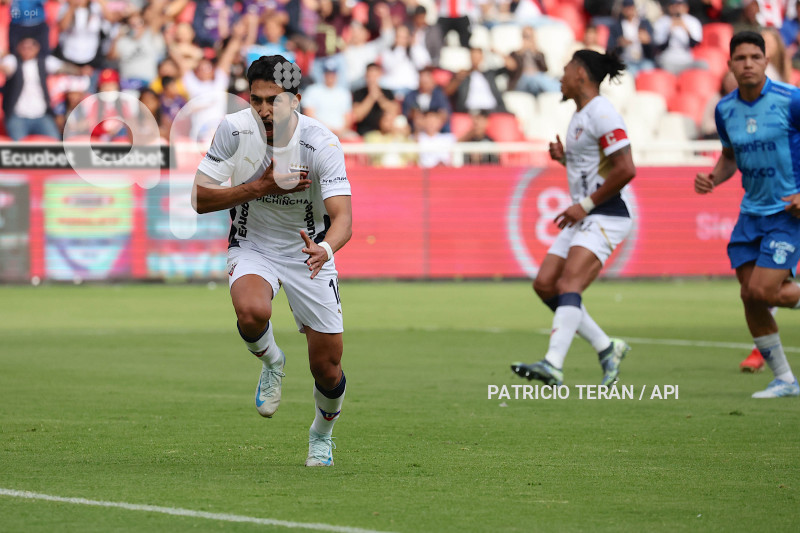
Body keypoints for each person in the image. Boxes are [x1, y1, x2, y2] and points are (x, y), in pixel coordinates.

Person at [191, 54, 353, 465]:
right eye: (256, 99)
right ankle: (273, 360)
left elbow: (345, 219)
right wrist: (257, 187)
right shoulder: (233, 130)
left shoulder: (322, 143)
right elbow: (199, 198)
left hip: (308, 251)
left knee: (327, 368)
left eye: (274, 101)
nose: (264, 109)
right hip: (253, 242)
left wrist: (326, 249)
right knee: (250, 311)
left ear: (295, 100)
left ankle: (321, 434)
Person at [511, 50, 636, 386]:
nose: (560, 78)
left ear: (581, 74)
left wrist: (586, 204)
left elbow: (626, 169)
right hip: (589, 212)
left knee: (569, 284)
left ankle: (553, 363)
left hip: (606, 214)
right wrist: (565, 161)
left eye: (565, 71)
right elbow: (595, 170)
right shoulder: (581, 116)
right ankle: (606, 347)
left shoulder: (603, 113)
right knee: (545, 285)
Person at [694, 31, 800, 398]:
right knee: (750, 296)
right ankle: (785, 379)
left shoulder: (791, 100)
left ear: (766, 61)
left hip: (788, 212)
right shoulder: (725, 110)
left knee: (763, 289)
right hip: (749, 213)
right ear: (729, 65)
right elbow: (729, 157)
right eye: (741, 58)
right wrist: (712, 178)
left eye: (756, 56)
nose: (749, 64)